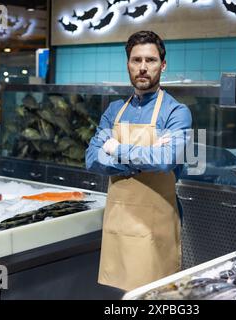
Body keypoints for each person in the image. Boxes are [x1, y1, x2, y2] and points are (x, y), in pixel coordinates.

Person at [85, 30, 192, 291]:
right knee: (121, 298)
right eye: (136, 60)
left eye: (151, 60)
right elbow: (92, 159)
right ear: (128, 64)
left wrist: (116, 148)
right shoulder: (113, 111)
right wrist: (142, 157)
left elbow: (166, 160)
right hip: (118, 225)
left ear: (162, 65)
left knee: (159, 298)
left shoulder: (177, 112)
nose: (143, 68)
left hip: (156, 227)